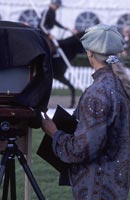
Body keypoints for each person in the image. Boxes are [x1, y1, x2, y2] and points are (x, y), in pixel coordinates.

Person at [41, 24, 130, 200]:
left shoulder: (98, 92)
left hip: (96, 187)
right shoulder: (122, 86)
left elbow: (82, 150)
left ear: (89, 53)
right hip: (117, 184)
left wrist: (54, 132)